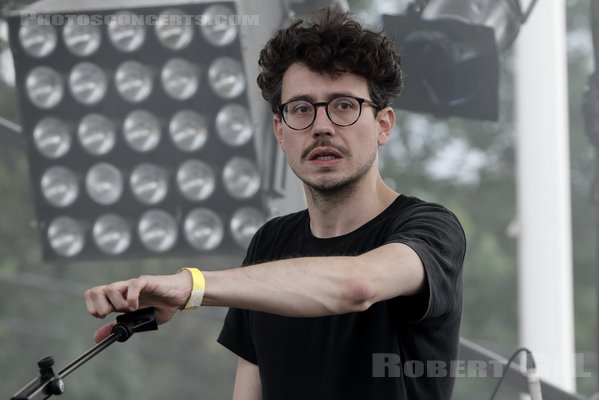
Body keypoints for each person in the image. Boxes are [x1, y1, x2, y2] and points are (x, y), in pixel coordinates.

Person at [84, 8, 466, 400]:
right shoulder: (271, 242)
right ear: (280, 131)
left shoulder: (431, 228)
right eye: (301, 108)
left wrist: (190, 286)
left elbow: (358, 285)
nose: (321, 126)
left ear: (383, 124)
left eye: (344, 106)